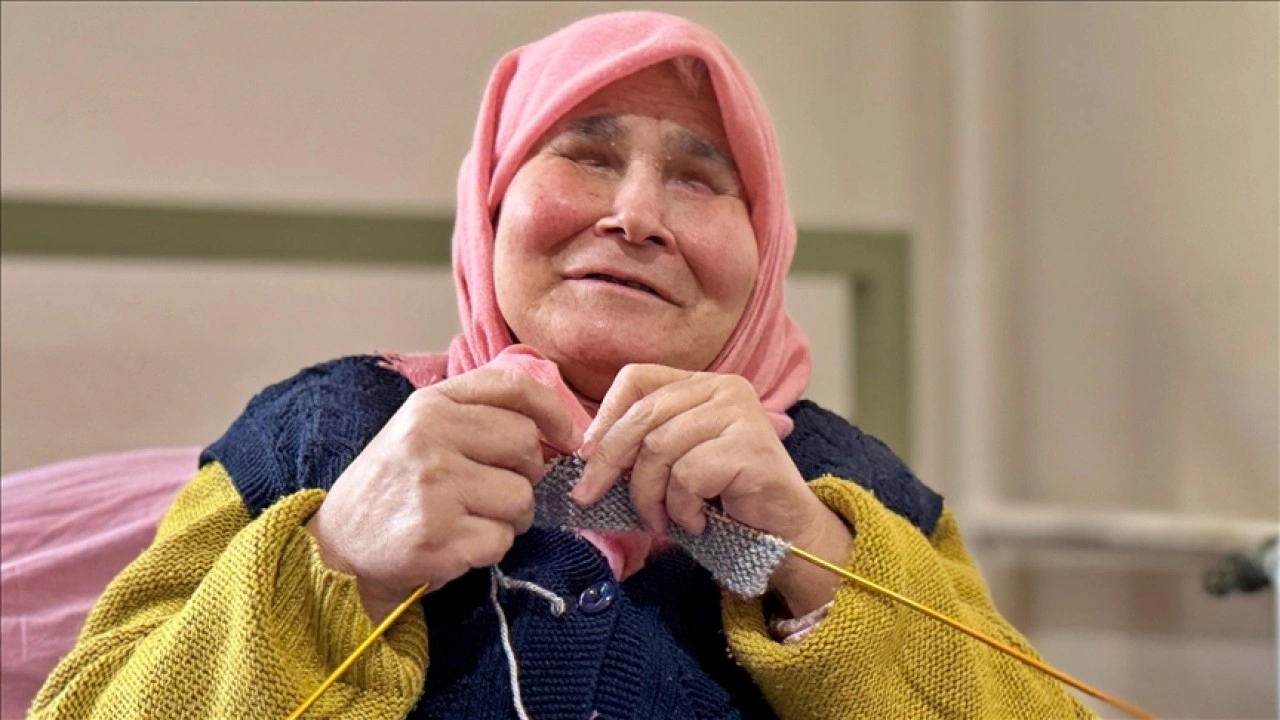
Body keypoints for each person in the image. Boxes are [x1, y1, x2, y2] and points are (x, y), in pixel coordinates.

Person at [31, 11, 1093, 720]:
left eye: (699, 179)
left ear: (764, 243)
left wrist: (815, 559)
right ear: (489, 206)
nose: (635, 215)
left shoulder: (853, 493)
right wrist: (337, 564)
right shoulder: (319, 436)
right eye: (585, 154)